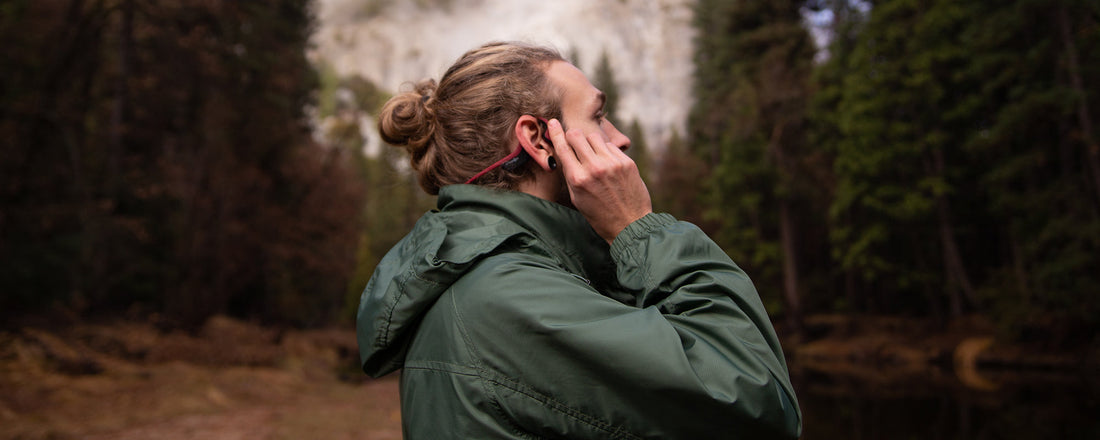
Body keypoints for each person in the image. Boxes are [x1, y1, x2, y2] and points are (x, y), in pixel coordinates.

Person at [356, 41, 802, 439]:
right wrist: (637, 227)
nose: (621, 139)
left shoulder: (500, 278)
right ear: (538, 141)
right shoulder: (508, 298)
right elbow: (757, 404)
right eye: (598, 117)